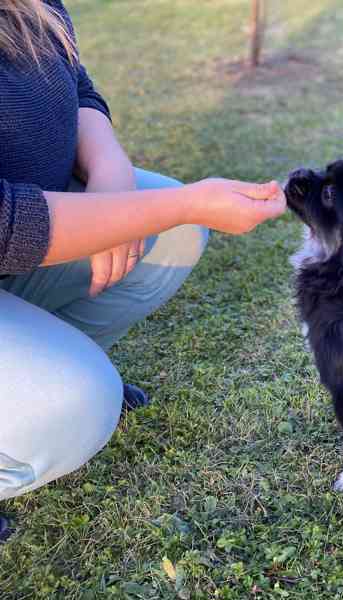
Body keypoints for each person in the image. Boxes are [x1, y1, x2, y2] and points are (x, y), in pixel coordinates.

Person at [0, 0, 287, 540]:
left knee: (168, 230)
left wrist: (112, 176)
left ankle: (52, 360)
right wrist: (186, 204)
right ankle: (44, 397)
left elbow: (75, 84)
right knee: (80, 403)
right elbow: (5, 224)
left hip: (21, 249)